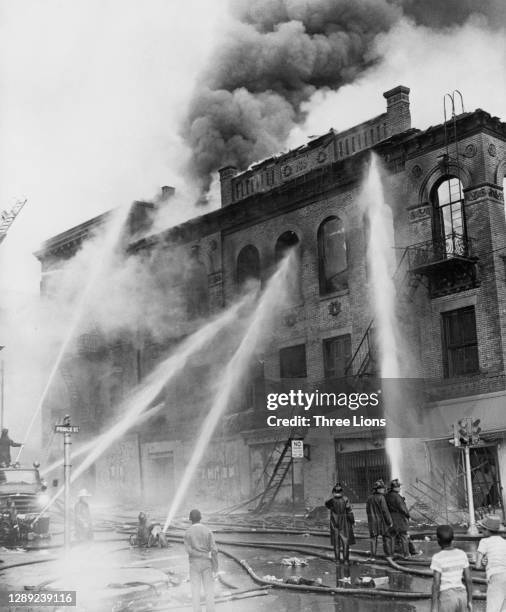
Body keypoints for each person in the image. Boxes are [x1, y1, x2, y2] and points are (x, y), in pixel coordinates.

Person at [430, 525, 472, 612]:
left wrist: (434, 606)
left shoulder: (437, 557)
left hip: (447, 597)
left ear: (438, 540)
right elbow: (468, 579)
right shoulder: (462, 554)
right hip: (462, 595)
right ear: (453, 539)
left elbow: (436, 584)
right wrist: (470, 600)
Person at [184, 508, 218, 612]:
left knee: (195, 592)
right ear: (200, 518)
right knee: (209, 591)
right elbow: (214, 551)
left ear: (190, 519)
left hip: (194, 565)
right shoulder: (208, 531)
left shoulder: (187, 532)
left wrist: (197, 555)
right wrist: (215, 569)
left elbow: (188, 550)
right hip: (207, 564)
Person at [476, 515, 506, 612]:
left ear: (487, 530)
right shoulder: (504, 542)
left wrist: (483, 561)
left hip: (495, 577)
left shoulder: (484, 541)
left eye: (483, 529)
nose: (481, 531)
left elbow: (477, 565)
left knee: (492, 608)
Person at [325, 482, 355, 565]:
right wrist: (352, 521)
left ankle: (337, 560)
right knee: (345, 542)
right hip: (344, 523)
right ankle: (346, 560)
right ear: (342, 492)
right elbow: (349, 511)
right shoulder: (345, 499)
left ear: (334, 492)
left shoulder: (331, 500)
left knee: (336, 543)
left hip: (334, 523)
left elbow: (326, 503)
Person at [366, 479, 393, 559]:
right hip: (381, 522)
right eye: (381, 488)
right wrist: (389, 521)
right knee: (386, 537)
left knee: (373, 539)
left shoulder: (369, 498)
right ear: (377, 489)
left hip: (372, 522)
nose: (383, 489)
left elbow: (367, 510)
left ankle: (373, 556)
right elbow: (385, 511)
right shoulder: (381, 498)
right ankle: (388, 555)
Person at [386, 478, 410, 558]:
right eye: (398, 486)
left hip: (390, 518)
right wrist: (408, 515)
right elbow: (402, 508)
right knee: (404, 536)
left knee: (392, 536)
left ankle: (391, 554)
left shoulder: (387, 496)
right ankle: (406, 554)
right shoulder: (397, 496)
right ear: (395, 488)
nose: (400, 488)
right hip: (399, 518)